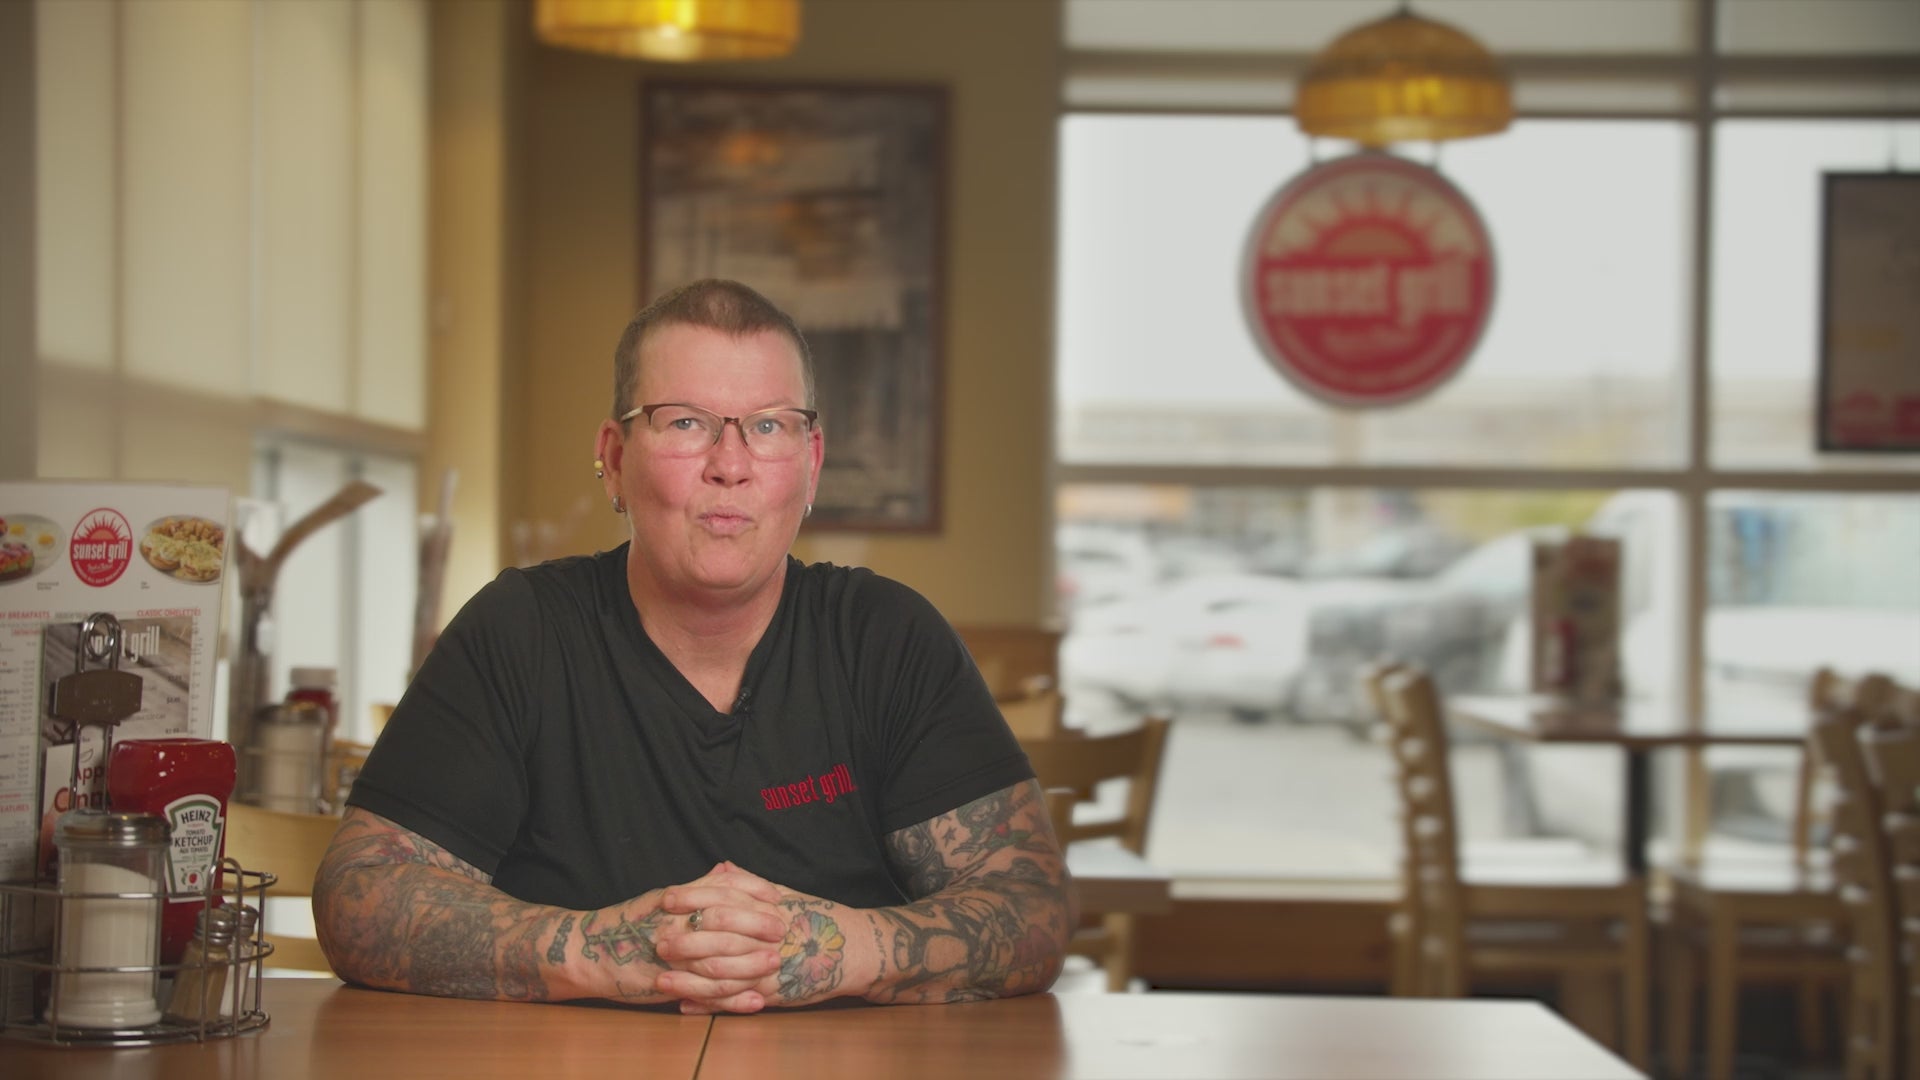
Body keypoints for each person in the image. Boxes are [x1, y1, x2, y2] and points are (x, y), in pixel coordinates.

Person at [313, 279, 1074, 1013]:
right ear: (615, 459)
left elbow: (1032, 908)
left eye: (769, 426)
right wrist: (605, 952)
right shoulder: (521, 631)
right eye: (685, 423)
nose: (730, 466)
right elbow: (358, 897)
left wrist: (825, 950)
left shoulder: (887, 639)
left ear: (811, 464)